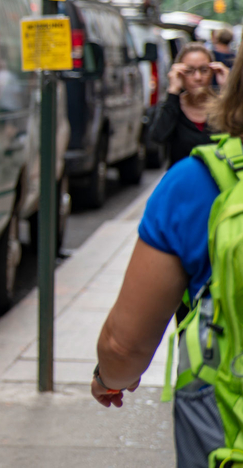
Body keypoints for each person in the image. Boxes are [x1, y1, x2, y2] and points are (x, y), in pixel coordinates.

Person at [92, 43, 243, 467]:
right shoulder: (177, 113)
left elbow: (124, 345)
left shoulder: (195, 182)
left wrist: (108, 378)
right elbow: (154, 136)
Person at [149, 42, 228, 167]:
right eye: (189, 71)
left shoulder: (223, 106)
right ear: (179, 73)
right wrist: (173, 91)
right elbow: (158, 137)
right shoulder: (173, 105)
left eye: (204, 70)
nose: (198, 77)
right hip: (184, 182)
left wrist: (228, 90)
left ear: (213, 71)